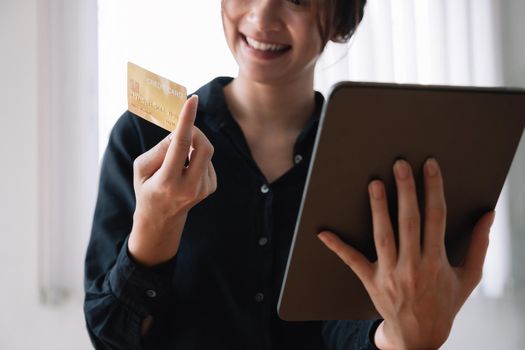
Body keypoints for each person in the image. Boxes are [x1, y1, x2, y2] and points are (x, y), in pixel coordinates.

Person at [84, 0, 496, 349]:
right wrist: (155, 227)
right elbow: (111, 335)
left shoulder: (371, 159)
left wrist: (399, 337)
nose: (262, 19)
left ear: (341, 17)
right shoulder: (146, 137)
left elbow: (346, 324)